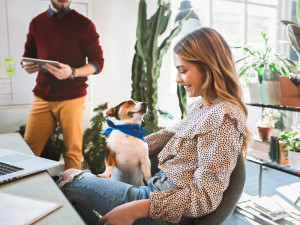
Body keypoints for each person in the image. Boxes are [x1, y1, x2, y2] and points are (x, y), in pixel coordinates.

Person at [58, 27, 251, 225]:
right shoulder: (204, 106)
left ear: (209, 67)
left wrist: (137, 209)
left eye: (183, 71)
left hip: (162, 209)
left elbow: (204, 199)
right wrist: (125, 144)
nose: (177, 79)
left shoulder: (224, 118)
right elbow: (168, 134)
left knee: (69, 178)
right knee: (72, 178)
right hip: (154, 191)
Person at [22, 0, 104, 170]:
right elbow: (27, 56)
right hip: (42, 96)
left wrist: (73, 72)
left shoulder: (84, 24)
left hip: (72, 97)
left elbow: (97, 63)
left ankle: (72, 194)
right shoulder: (36, 23)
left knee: (72, 152)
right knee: (28, 149)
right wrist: (26, 65)